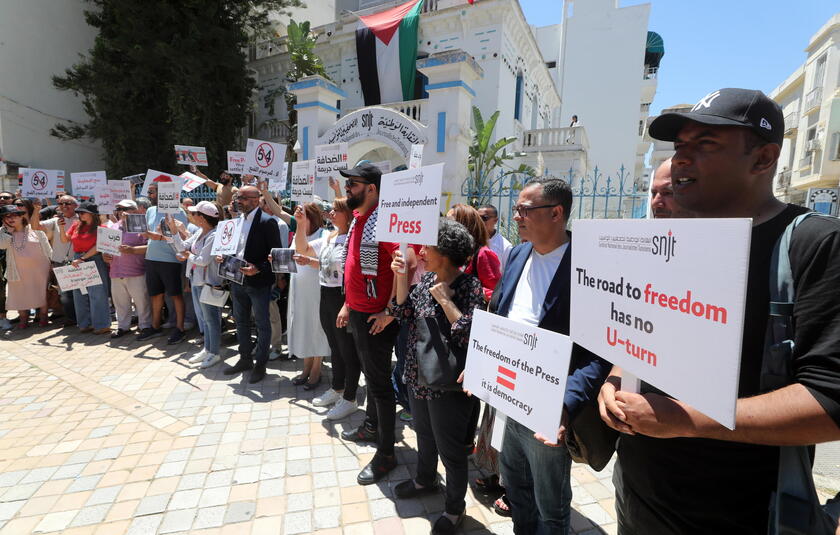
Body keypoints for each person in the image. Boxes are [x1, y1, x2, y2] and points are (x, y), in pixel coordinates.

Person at [599, 88, 840, 534]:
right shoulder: (668, 242)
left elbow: (830, 401)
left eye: (705, 145)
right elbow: (637, 331)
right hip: (638, 498)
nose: (683, 159)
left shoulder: (816, 244)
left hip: (741, 516)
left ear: (764, 158)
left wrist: (686, 421)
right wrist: (615, 377)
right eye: (681, 146)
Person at [483, 178, 610, 534]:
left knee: (550, 504)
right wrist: (479, 364)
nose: (516, 216)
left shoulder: (588, 265)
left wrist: (566, 404)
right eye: (517, 208)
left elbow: (598, 351)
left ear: (556, 213)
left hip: (548, 409)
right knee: (515, 488)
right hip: (508, 395)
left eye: (525, 209)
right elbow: (500, 314)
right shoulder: (518, 253)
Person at [390, 219, 485, 535]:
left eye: (427, 247)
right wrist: (400, 276)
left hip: (449, 385)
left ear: (444, 253)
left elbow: (470, 335)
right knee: (424, 435)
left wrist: (445, 300)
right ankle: (425, 478)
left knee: (452, 451)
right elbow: (401, 312)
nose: (421, 251)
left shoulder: (469, 286)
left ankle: (455, 509)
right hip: (418, 377)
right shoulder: (426, 279)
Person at [337, 162, 418, 485]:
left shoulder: (385, 221)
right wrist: (346, 303)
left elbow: (408, 263)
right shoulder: (360, 219)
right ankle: (372, 427)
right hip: (358, 312)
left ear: (372, 188)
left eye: (353, 184)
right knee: (371, 379)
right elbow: (353, 266)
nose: (347, 190)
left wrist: (390, 311)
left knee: (381, 386)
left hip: (376, 318)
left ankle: (386, 453)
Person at [293, 197, 361, 418]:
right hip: (325, 294)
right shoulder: (329, 237)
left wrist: (347, 305)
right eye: (330, 210)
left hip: (343, 296)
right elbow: (303, 248)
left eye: (335, 210)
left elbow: (353, 273)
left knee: (347, 349)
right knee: (335, 345)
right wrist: (301, 224)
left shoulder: (353, 238)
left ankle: (350, 397)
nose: (330, 213)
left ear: (348, 214)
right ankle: (337, 387)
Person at [220, 186, 282, 383]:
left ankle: (260, 364)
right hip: (237, 280)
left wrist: (259, 269)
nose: (239, 200)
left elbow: (276, 256)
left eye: (243, 198)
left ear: (256, 199)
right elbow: (234, 248)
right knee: (241, 322)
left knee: (262, 325)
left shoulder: (267, 221)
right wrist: (223, 256)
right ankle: (245, 358)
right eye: (238, 197)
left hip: (258, 282)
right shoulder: (236, 222)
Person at [172, 201, 223, 368]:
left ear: (202, 218)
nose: (191, 215)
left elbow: (203, 260)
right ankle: (208, 349)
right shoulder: (201, 232)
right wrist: (174, 231)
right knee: (204, 318)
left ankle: (214, 352)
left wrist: (188, 255)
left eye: (194, 213)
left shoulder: (214, 235)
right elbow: (182, 247)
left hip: (208, 282)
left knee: (211, 319)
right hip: (196, 280)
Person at [138, 183, 189, 343]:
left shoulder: (178, 211)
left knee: (176, 295)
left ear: (162, 194)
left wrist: (157, 237)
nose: (149, 195)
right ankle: (155, 327)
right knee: (155, 294)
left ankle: (180, 329)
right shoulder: (150, 210)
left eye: (152, 192)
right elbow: (150, 232)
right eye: (149, 192)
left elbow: (181, 236)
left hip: (170, 259)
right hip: (152, 258)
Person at [288, 202, 330, 388]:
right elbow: (293, 253)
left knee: (316, 327)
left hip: (316, 290)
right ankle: (306, 366)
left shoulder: (324, 235)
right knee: (303, 325)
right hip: (298, 288)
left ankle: (316, 369)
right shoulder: (299, 234)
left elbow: (327, 261)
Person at [60, 202, 111, 334]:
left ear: (92, 214)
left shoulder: (102, 227)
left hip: (94, 259)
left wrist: (82, 258)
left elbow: (99, 246)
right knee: (79, 294)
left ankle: (101, 325)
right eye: (79, 213)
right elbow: (65, 240)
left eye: (82, 212)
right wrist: (61, 227)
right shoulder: (76, 225)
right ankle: (84, 324)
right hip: (78, 259)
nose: (79, 215)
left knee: (97, 293)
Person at [103, 200, 151, 338]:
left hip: (135, 270)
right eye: (118, 208)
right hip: (116, 271)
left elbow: (151, 246)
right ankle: (123, 326)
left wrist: (133, 250)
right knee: (120, 302)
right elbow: (105, 248)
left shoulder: (141, 226)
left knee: (141, 301)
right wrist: (105, 256)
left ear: (135, 211)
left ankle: (145, 326)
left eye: (126, 208)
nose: (121, 211)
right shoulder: (112, 227)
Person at [0, 204, 52, 328]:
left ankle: (43, 317)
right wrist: (9, 231)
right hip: (17, 270)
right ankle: (23, 318)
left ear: (21, 216)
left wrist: (52, 265)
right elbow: (2, 245)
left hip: (40, 269)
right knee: (19, 293)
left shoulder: (35, 229)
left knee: (41, 292)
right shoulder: (3, 231)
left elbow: (48, 250)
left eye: (14, 215)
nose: (10, 219)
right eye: (6, 217)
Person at [33, 194, 80, 326]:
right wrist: (36, 210)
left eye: (68, 203)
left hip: (80, 261)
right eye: (61, 204)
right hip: (61, 262)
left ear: (76, 205)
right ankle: (71, 319)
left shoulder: (82, 218)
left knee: (81, 292)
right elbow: (36, 226)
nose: (64, 206)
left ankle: (83, 318)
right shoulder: (55, 221)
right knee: (65, 294)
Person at [446, 204, 501, 302]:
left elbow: (495, 294)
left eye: (451, 223)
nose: (446, 227)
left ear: (464, 224)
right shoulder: (454, 251)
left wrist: (466, 290)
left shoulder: (483, 254)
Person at [478, 204, 513, 270]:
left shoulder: (505, 247)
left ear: (495, 220)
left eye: (484, 218)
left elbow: (507, 273)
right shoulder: (471, 240)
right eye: (478, 217)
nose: (480, 221)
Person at [0, 191, 15, 330]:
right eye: (0, 197)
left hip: (16, 258)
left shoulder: (20, 217)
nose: (2, 199)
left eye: (6, 197)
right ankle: (2, 317)